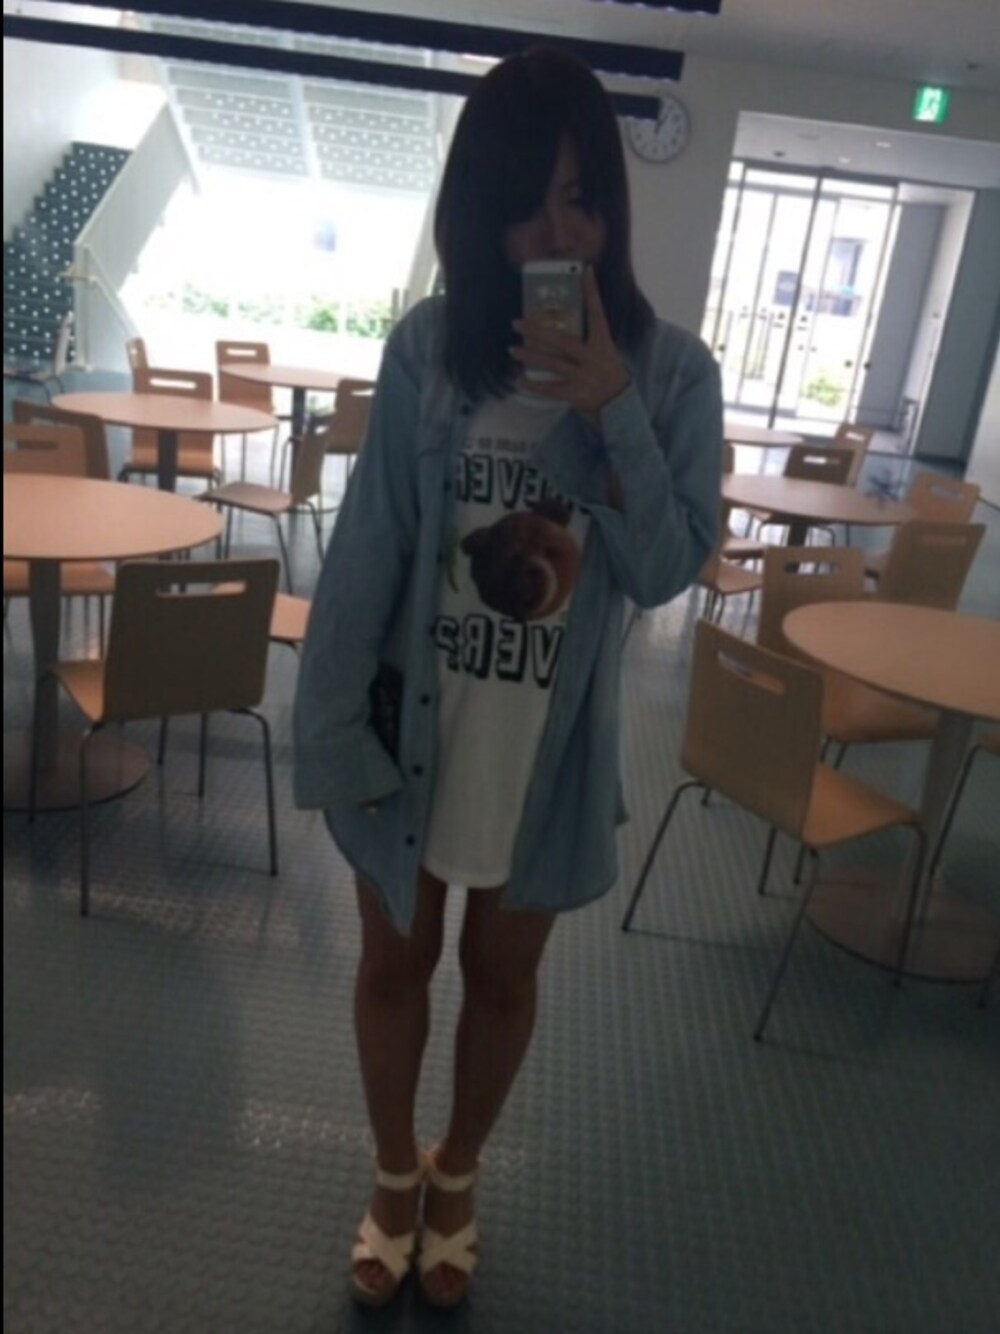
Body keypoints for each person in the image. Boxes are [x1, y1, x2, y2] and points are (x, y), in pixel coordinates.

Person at [293, 46, 722, 1309]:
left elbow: (663, 570)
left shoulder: (675, 374)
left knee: (504, 974)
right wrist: (332, 737)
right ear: (478, 217)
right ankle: (393, 1176)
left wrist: (612, 404)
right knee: (391, 967)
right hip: (408, 727)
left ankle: (459, 1172)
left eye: (581, 198)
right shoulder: (430, 349)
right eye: (524, 204)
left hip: (544, 751)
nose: (558, 233)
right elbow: (369, 548)